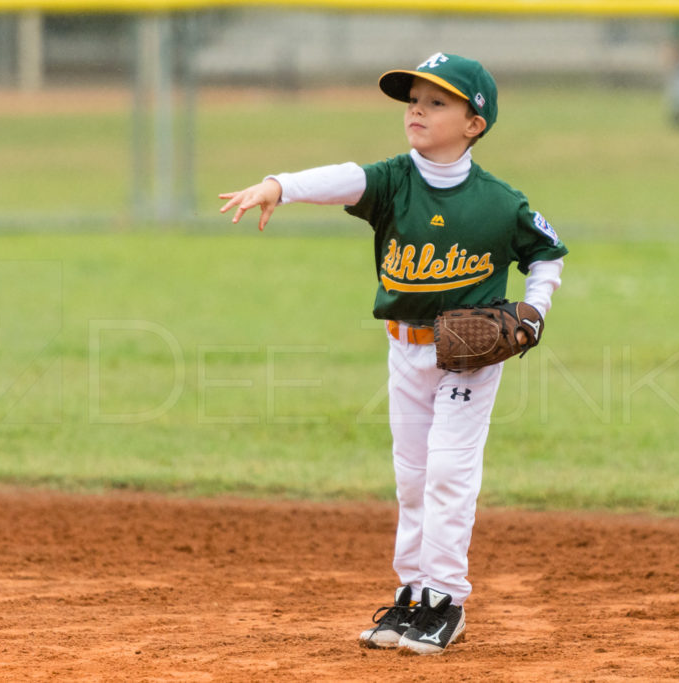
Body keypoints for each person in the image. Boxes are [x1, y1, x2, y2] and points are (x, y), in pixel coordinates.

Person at [219, 52, 567, 655]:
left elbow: (548, 253)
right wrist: (281, 185)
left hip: (468, 357)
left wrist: (535, 312)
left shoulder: (499, 202)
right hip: (404, 352)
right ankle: (414, 592)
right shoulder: (393, 181)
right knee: (412, 478)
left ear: (474, 123)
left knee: (449, 473)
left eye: (437, 102)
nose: (417, 110)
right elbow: (342, 177)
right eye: (413, 100)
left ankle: (447, 601)